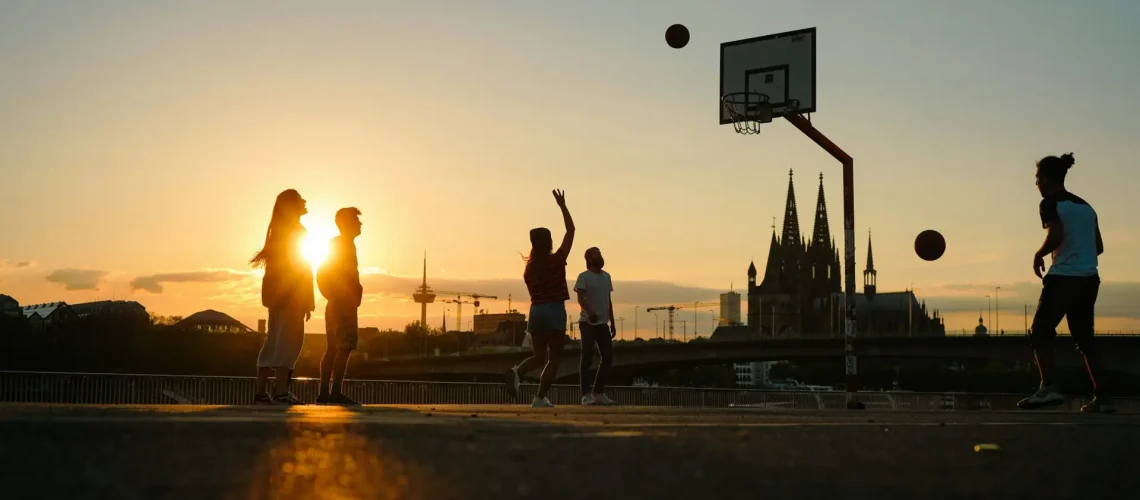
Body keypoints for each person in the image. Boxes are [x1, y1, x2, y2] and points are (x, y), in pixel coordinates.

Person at [1018, 153, 1113, 413]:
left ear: (1046, 179)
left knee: (1040, 331)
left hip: (1063, 278)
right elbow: (1099, 247)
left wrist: (1039, 253)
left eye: (1037, 178)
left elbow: (1057, 233)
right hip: (1089, 279)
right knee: (1085, 339)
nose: (1036, 183)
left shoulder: (1049, 203)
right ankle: (1103, 399)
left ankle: (1049, 387)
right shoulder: (1086, 207)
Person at [504, 189, 574, 408]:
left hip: (536, 311)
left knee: (538, 357)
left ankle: (517, 371)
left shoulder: (529, 269)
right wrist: (562, 205)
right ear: (550, 242)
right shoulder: (557, 260)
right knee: (553, 359)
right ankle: (540, 398)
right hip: (554, 310)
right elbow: (571, 230)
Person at [251, 189, 315, 405]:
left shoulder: (278, 230)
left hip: (276, 295)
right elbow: (301, 268)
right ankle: (280, 393)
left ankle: (261, 392)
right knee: (288, 342)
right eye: (300, 199)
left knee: (273, 341)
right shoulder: (297, 230)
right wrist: (306, 298)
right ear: (292, 206)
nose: (305, 201)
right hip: (292, 295)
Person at [316, 207, 364, 405]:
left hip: (336, 302)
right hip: (344, 304)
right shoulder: (344, 245)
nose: (360, 224)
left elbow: (321, 272)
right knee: (344, 348)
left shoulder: (336, 245)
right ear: (347, 223)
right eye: (356, 220)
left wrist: (331, 295)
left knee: (332, 349)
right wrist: (349, 295)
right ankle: (335, 393)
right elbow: (328, 273)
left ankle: (324, 393)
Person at [574, 247, 616, 406]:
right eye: (596, 254)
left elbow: (608, 300)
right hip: (588, 323)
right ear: (589, 259)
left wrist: (612, 320)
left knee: (608, 357)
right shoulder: (584, 277)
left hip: (603, 324)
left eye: (600, 253)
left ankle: (598, 392)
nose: (600, 256)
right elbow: (580, 298)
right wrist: (589, 312)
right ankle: (585, 394)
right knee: (587, 358)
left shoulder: (607, 277)